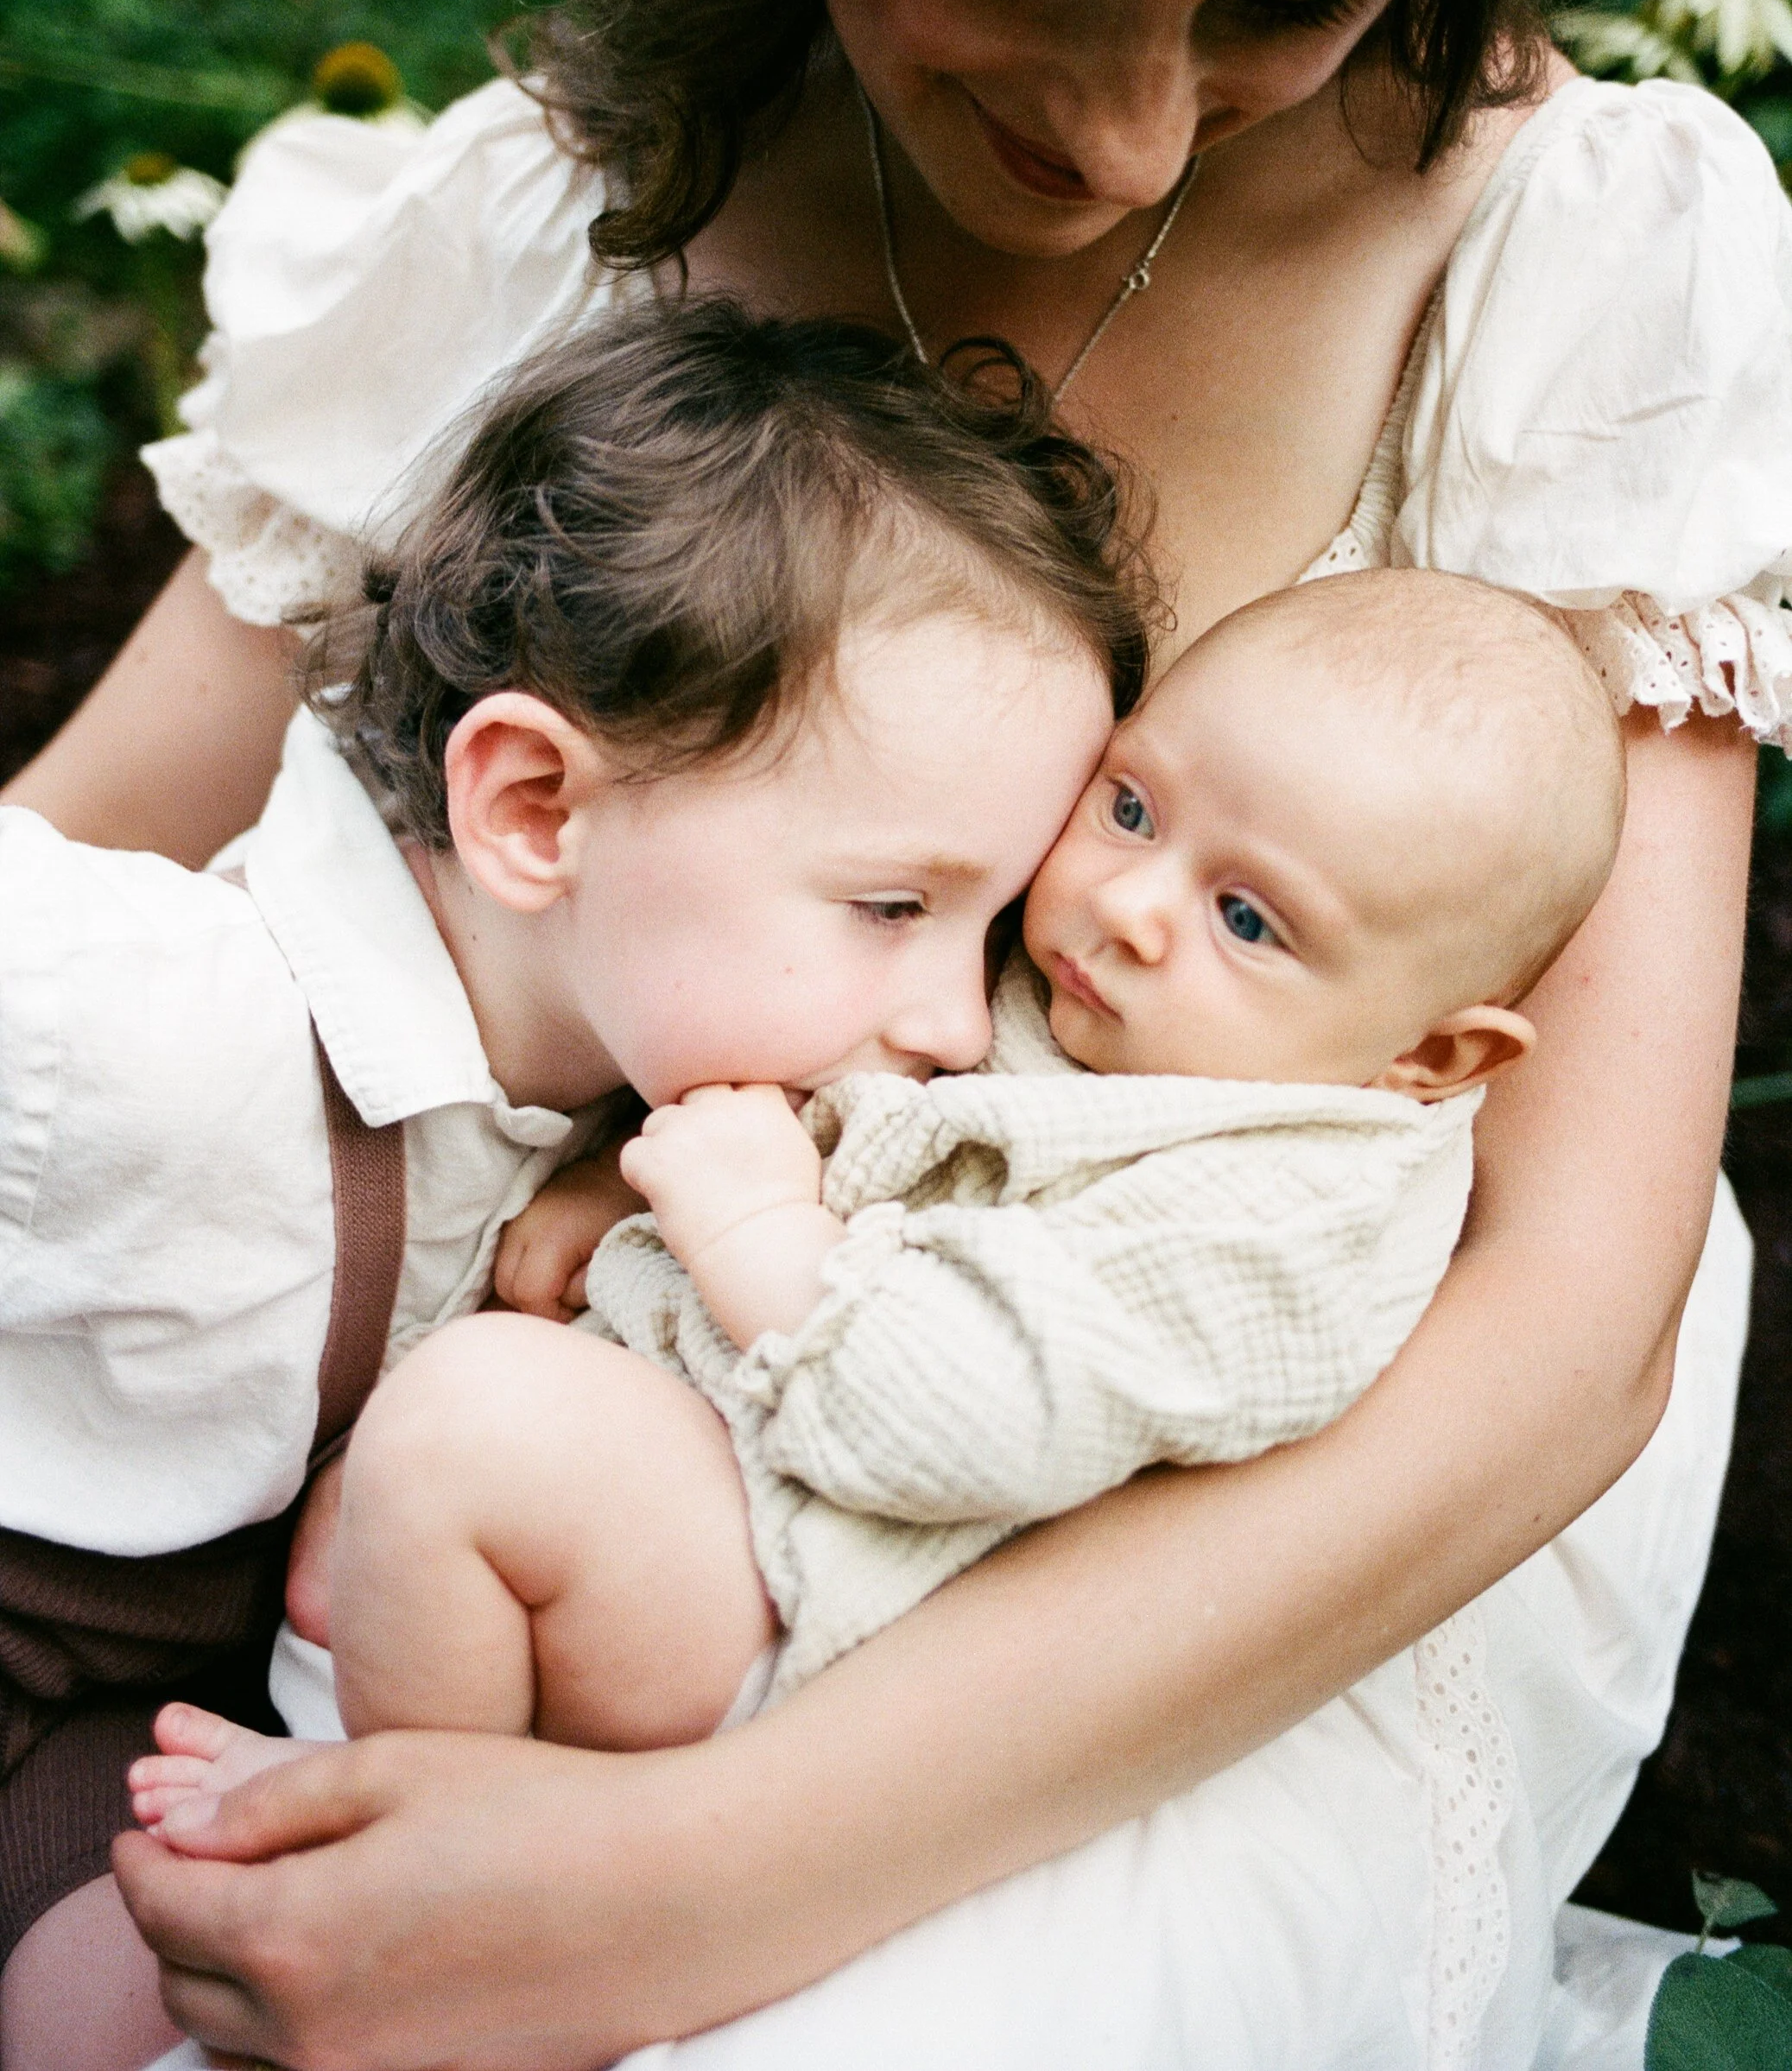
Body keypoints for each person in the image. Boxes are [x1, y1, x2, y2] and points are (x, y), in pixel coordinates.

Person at [3, 0, 1787, 2061]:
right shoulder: (563, 212)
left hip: (1265, 1520)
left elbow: (1565, 1325)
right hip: (620, 1423)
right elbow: (81, 887)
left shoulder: (1577, 264)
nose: (1115, 127)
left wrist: (682, 1885)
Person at [131, 574, 1621, 1954]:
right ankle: (368, 1737)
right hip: (713, 1478)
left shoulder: (1291, 1223)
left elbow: (970, 1415)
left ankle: (423, 1850)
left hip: (823, 1607)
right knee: (376, 1515)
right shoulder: (1111, 990)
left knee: (470, 1429)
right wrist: (628, 1169)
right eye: (1128, 805)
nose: (1131, 904)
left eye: (1246, 916)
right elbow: (835, 1077)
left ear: (1430, 1054)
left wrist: (753, 1232)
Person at [0, 299, 1139, 2071]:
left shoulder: (635, 1074)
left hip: (120, 1719)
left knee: (141, 1993)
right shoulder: (164, 1027)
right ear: (533, 807)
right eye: (895, 906)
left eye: (990, 929)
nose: (951, 1020)